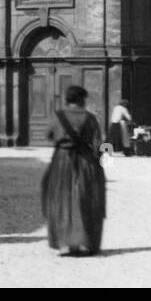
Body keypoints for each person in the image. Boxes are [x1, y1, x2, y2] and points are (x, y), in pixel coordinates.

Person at [41, 84, 106, 256]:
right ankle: (84, 242)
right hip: (85, 162)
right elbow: (100, 143)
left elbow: (48, 135)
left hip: (62, 161)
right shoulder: (90, 118)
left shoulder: (58, 116)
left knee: (61, 199)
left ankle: (65, 242)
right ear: (81, 99)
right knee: (85, 199)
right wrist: (105, 162)